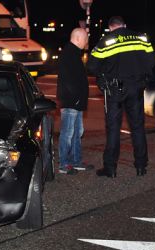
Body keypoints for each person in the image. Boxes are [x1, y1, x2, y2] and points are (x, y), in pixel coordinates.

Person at [87, 16, 155, 178]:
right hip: (137, 88)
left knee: (113, 129)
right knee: (138, 128)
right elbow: (151, 61)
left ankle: (110, 168)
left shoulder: (107, 41)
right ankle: (141, 166)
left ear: (111, 28)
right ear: (124, 25)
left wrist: (105, 72)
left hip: (114, 90)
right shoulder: (141, 38)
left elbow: (92, 65)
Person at [57, 27, 94, 175]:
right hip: (72, 101)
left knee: (77, 132)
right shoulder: (69, 54)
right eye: (85, 39)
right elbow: (68, 80)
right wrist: (76, 98)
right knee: (68, 133)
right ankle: (64, 164)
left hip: (75, 101)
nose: (86, 42)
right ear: (78, 38)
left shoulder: (72, 53)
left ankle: (75, 161)